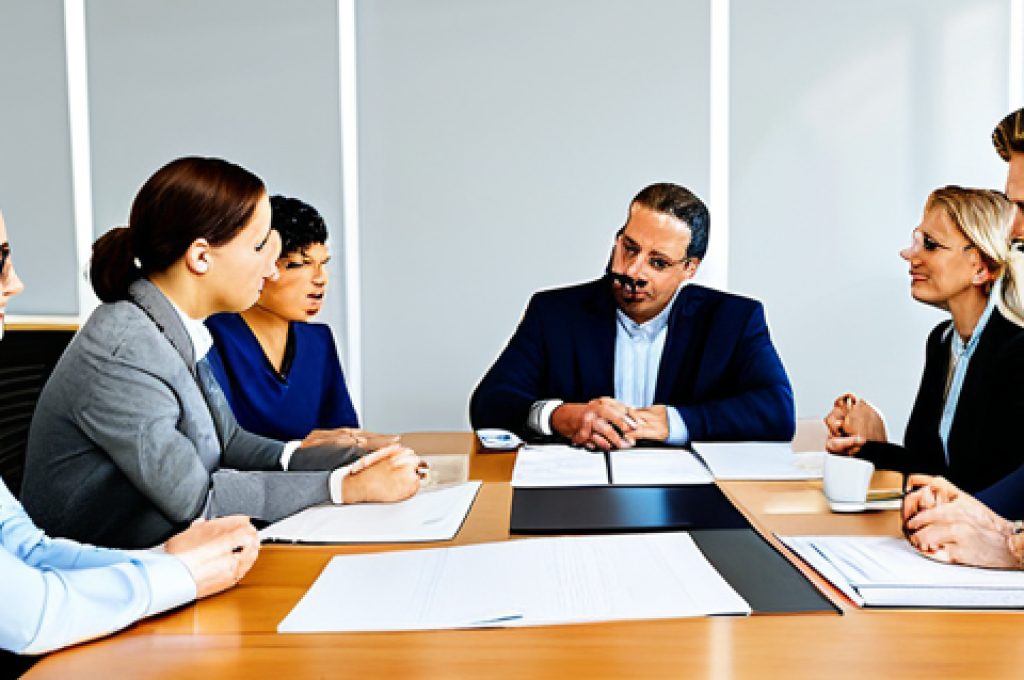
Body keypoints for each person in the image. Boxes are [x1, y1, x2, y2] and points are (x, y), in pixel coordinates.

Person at [20, 158, 421, 550]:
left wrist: (338, 461)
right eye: (260, 246)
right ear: (200, 256)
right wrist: (343, 488)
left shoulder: (173, 327)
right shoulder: (127, 351)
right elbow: (198, 502)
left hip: (164, 556)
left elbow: (228, 442)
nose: (271, 270)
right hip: (100, 578)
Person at [0, 204, 259, 666]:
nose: (15, 283)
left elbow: (28, 547)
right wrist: (180, 575)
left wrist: (164, 558)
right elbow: (31, 616)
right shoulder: (126, 343)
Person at [469, 182, 795, 449]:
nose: (633, 271)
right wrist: (562, 417)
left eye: (658, 263)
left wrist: (675, 422)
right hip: (578, 497)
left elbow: (777, 412)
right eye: (630, 248)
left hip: (688, 501)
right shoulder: (553, 313)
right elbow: (488, 405)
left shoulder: (735, 320)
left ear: (689, 269)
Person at [825, 186, 1024, 493]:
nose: (909, 255)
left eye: (930, 245)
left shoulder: (1016, 352)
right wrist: (860, 446)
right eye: (917, 241)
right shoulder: (943, 341)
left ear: (982, 266)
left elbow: (993, 485)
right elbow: (931, 467)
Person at [206, 196, 390, 448]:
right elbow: (222, 448)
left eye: (323, 264)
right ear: (262, 265)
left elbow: (344, 436)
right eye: (300, 265)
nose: (321, 278)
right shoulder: (213, 337)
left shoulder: (318, 341)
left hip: (321, 483)